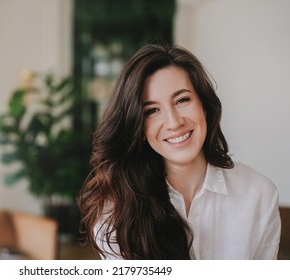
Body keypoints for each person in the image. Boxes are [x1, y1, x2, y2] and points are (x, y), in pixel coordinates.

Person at [77, 43, 281, 260]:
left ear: (204, 104)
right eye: (152, 111)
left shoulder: (259, 194)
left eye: (182, 100)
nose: (173, 123)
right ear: (137, 126)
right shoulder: (115, 209)